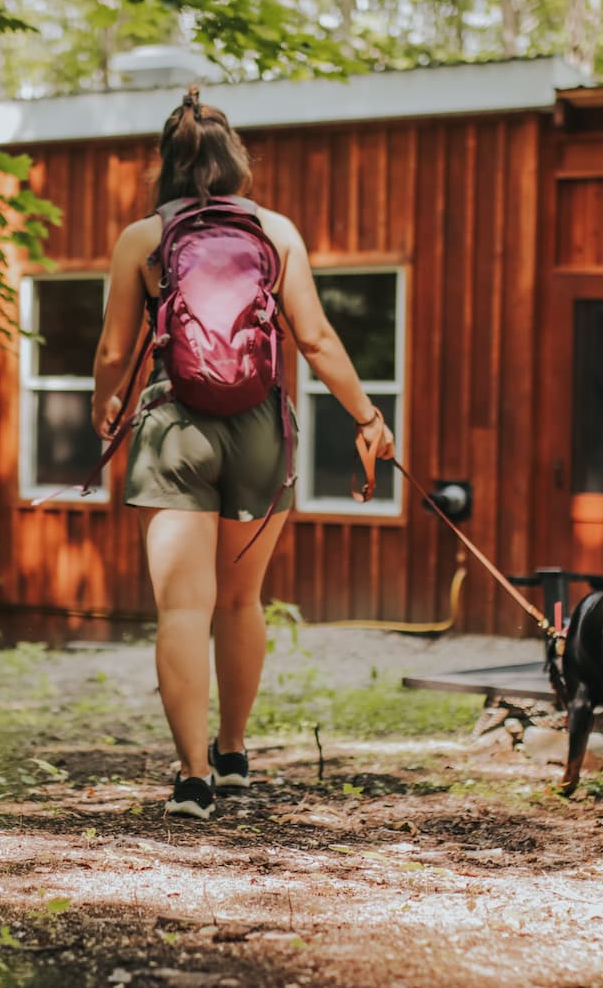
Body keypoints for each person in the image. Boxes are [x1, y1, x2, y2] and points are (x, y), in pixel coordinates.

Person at [90, 88, 396, 819]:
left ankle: (192, 777)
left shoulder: (142, 237)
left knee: (183, 609)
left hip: (173, 429)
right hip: (262, 430)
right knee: (240, 600)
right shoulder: (276, 232)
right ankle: (233, 754)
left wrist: (107, 404)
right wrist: (368, 417)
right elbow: (316, 339)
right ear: (237, 165)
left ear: (167, 165)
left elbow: (112, 347)